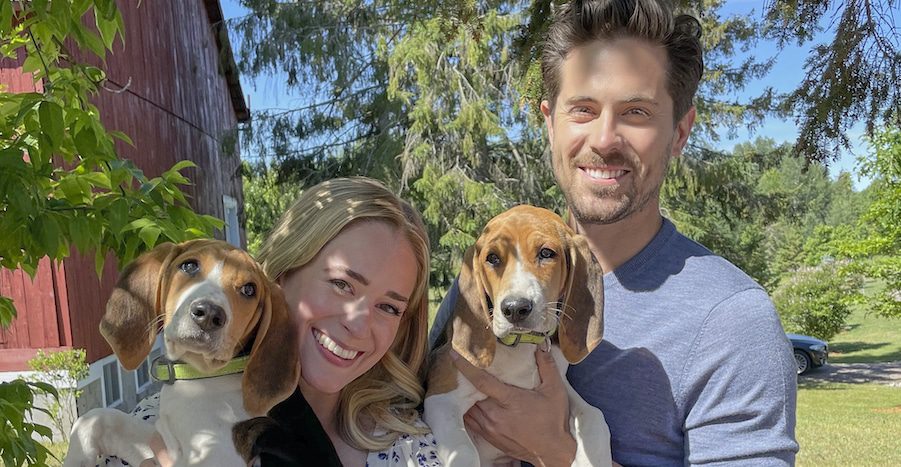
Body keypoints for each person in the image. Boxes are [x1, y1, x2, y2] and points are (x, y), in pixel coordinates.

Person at [429, 0, 799, 465]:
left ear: (680, 131)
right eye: (582, 109)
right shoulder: (491, 272)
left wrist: (558, 451)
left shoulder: (732, 320)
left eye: (637, 112)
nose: (604, 140)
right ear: (549, 122)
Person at [102, 177, 442, 466]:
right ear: (281, 275)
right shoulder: (148, 424)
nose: (358, 324)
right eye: (342, 284)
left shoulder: (416, 451)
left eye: (389, 307)